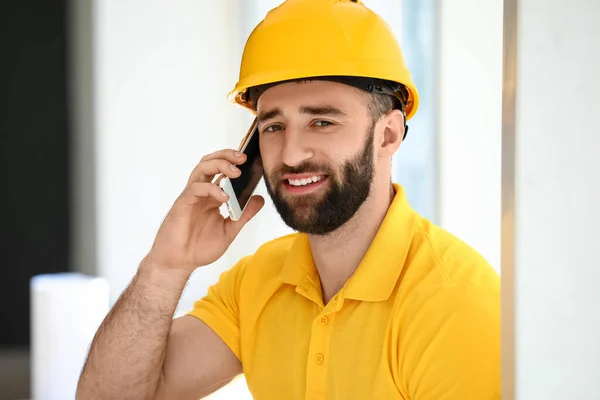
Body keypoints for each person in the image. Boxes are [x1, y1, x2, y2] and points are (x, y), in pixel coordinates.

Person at [76, 0, 500, 399]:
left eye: (322, 121)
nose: (292, 154)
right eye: (273, 127)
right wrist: (165, 266)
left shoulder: (456, 302)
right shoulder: (259, 282)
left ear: (387, 135)